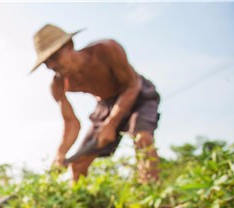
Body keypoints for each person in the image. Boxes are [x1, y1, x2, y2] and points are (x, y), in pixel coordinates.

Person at [31, 24, 161, 182]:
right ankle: (82, 203)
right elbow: (71, 123)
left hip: (136, 91)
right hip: (105, 105)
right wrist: (61, 154)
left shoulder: (107, 50)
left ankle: (151, 189)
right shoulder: (58, 84)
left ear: (69, 45)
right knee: (78, 165)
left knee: (142, 138)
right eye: (46, 62)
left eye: (54, 57)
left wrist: (112, 124)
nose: (52, 65)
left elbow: (132, 85)